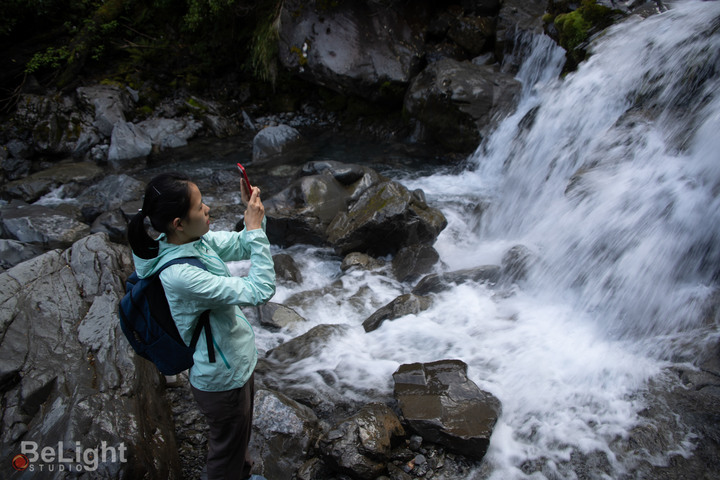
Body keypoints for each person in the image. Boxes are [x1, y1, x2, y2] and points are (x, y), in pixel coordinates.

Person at [127, 172, 275, 480]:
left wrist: (251, 213)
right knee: (225, 453)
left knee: (235, 440)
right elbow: (261, 289)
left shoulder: (192, 241)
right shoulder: (180, 275)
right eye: (200, 207)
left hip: (233, 361)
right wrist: (254, 226)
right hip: (222, 377)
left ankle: (243, 475)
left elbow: (243, 245)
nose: (208, 209)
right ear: (178, 223)